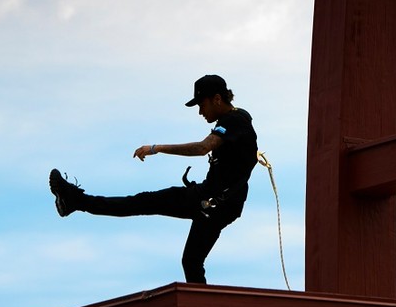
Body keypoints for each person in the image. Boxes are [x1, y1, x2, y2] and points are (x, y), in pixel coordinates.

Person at [48, 74, 258, 284]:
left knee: (143, 202)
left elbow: (203, 148)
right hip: (218, 205)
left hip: (212, 202)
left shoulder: (234, 120)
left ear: (217, 99)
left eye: (201, 105)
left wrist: (156, 148)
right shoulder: (235, 120)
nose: (200, 111)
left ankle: (74, 200)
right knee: (191, 261)